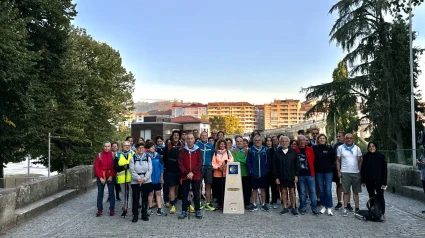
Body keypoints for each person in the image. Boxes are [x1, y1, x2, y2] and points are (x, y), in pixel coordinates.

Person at [337, 133, 362, 217]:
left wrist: (358, 170)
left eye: (351, 138)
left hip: (355, 173)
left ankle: (357, 208)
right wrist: (339, 172)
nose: (349, 139)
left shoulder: (357, 148)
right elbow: (338, 160)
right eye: (347, 138)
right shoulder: (340, 148)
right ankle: (345, 208)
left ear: (353, 139)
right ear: (344, 139)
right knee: (346, 191)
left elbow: (360, 160)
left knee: (356, 192)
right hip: (345, 172)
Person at [272, 136, 299, 216]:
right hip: (281, 176)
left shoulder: (293, 152)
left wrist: (296, 175)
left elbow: (297, 164)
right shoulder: (277, 153)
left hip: (291, 175)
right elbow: (274, 166)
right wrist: (276, 177)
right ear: (280, 143)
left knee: (292, 192)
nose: (284, 143)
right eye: (282, 141)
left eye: (286, 141)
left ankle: (293, 207)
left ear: (288, 143)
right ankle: (285, 207)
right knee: (283, 191)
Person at [178, 134, 203, 219]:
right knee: (185, 193)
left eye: (191, 139)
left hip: (195, 175)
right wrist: (186, 173)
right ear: (186, 140)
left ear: (194, 140)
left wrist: (193, 172)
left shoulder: (198, 150)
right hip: (185, 175)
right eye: (188, 138)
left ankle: (197, 210)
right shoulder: (182, 150)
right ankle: (184, 210)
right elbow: (180, 163)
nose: (189, 140)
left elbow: (200, 163)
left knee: (196, 193)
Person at [361, 142, 387, 221]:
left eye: (373, 146)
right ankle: (373, 211)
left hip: (379, 181)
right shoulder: (365, 157)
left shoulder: (381, 157)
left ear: (376, 147)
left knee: (380, 196)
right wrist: (363, 181)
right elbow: (363, 169)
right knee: (371, 196)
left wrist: (384, 183)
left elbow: (384, 171)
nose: (371, 148)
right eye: (370, 146)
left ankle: (382, 213)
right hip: (369, 181)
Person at [295, 135, 319, 215]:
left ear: (306, 141)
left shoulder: (310, 149)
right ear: (298, 141)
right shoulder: (295, 150)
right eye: (300, 140)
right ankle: (303, 207)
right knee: (302, 192)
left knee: (312, 191)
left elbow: (313, 160)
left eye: (303, 140)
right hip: (300, 175)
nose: (302, 141)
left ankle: (314, 208)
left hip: (310, 174)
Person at [129, 142, 153, 222]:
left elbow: (150, 170)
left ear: (144, 149)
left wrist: (144, 179)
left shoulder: (147, 157)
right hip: (136, 181)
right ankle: (135, 215)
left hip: (146, 181)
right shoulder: (133, 158)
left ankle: (144, 214)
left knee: (145, 198)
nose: (141, 149)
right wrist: (138, 178)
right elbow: (132, 170)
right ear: (136, 149)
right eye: (139, 147)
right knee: (136, 198)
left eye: (142, 147)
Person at [247, 135, 270, 212]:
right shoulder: (250, 150)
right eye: (256, 140)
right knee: (254, 189)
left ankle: (263, 204)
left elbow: (268, 161)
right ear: (254, 141)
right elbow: (248, 161)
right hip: (254, 173)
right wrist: (250, 170)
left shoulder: (266, 149)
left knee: (263, 189)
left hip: (263, 173)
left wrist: (267, 170)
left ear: (262, 141)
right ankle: (254, 204)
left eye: (259, 140)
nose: (258, 141)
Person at [313, 134, 335, 216]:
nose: (322, 140)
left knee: (328, 190)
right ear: (318, 140)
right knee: (321, 190)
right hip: (318, 172)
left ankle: (329, 207)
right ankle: (323, 206)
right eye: (320, 138)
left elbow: (334, 159)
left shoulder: (329, 148)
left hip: (328, 172)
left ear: (326, 140)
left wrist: (330, 167)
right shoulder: (314, 148)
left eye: (323, 138)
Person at [94, 142, 117, 217]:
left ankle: (112, 209)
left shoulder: (113, 155)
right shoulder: (99, 155)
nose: (106, 148)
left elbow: (115, 166)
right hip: (101, 175)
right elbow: (96, 167)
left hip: (110, 175)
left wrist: (111, 176)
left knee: (111, 193)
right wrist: (100, 177)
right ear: (103, 147)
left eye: (108, 146)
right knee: (100, 193)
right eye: (105, 146)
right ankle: (99, 209)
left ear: (110, 147)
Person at [145, 141, 167, 217]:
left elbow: (161, 167)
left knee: (158, 193)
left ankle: (159, 209)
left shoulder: (158, 156)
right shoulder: (145, 157)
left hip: (157, 178)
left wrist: (161, 178)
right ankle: (150, 208)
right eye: (151, 147)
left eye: (154, 146)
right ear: (147, 149)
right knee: (150, 194)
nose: (153, 148)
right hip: (149, 179)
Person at [163, 130, 183, 214]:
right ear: (172, 136)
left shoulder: (182, 145)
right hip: (170, 170)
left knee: (178, 186)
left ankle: (175, 199)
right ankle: (172, 204)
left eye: (177, 135)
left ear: (179, 136)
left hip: (180, 170)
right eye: (174, 135)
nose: (176, 136)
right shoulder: (168, 146)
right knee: (171, 187)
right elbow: (164, 158)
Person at [114, 140, 135, 217]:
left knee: (132, 194)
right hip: (122, 178)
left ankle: (133, 209)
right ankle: (125, 209)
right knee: (124, 195)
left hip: (132, 178)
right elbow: (116, 167)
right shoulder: (118, 155)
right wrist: (124, 167)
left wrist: (126, 166)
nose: (127, 146)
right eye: (125, 145)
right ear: (122, 147)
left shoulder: (133, 154)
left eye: (128, 145)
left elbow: (135, 165)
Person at [212, 139, 234, 210]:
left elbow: (231, 160)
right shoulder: (215, 153)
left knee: (225, 188)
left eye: (223, 144)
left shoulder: (228, 152)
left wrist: (226, 162)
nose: (222, 145)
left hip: (226, 173)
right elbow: (213, 163)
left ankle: (225, 202)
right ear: (218, 145)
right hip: (217, 173)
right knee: (218, 189)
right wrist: (218, 168)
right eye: (221, 144)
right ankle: (219, 203)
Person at [196, 131, 216, 211]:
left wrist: (212, 166)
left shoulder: (210, 145)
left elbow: (213, 156)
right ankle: (199, 202)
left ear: (207, 136)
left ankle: (208, 203)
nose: (204, 137)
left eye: (205, 135)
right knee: (199, 185)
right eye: (202, 135)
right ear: (200, 136)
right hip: (199, 168)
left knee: (208, 186)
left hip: (208, 168)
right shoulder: (197, 145)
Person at [231, 135, 250, 208]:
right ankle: (236, 203)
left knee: (246, 189)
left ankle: (246, 203)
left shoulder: (247, 151)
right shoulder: (233, 151)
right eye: (237, 141)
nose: (239, 143)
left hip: (245, 172)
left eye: (240, 141)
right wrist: (242, 161)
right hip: (236, 173)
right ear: (235, 142)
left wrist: (239, 161)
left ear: (243, 142)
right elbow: (234, 161)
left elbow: (247, 161)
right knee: (236, 189)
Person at [333, 131, 348, 210]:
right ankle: (339, 202)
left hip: (348, 168)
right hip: (338, 168)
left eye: (339, 136)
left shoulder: (349, 146)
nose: (338, 138)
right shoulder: (335, 146)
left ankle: (348, 203)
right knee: (338, 185)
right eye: (337, 136)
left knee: (347, 186)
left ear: (344, 137)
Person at [155, 136, 169, 208]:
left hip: (165, 167)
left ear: (162, 141)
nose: (159, 143)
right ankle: (156, 200)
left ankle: (166, 200)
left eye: (160, 141)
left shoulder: (166, 147)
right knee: (156, 185)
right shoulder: (154, 149)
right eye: (158, 141)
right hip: (157, 168)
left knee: (165, 185)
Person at [265, 137, 279, 209]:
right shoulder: (263, 150)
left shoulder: (275, 151)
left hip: (273, 171)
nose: (269, 142)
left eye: (270, 141)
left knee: (274, 187)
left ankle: (274, 201)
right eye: (267, 141)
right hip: (266, 171)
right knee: (266, 187)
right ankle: (266, 201)